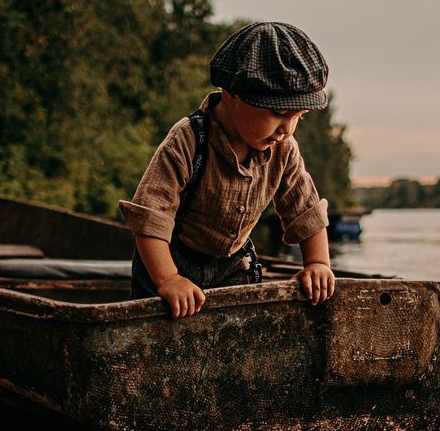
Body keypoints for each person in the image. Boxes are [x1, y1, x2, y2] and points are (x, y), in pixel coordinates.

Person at [119, 21, 336, 318]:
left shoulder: (283, 149)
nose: (287, 128)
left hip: (233, 264)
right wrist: (168, 279)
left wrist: (317, 264)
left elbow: (306, 212)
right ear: (231, 94)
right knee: (158, 331)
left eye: (299, 116)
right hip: (170, 258)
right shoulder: (189, 139)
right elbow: (150, 220)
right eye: (278, 113)